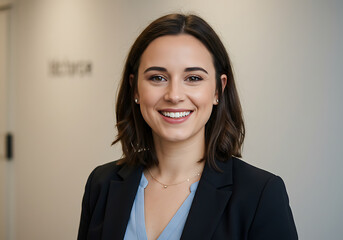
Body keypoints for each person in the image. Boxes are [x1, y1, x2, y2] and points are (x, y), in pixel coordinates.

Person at [77, 13, 298, 240]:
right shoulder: (101, 183)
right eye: (157, 77)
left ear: (217, 90)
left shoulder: (260, 193)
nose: (174, 95)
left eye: (193, 78)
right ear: (135, 89)